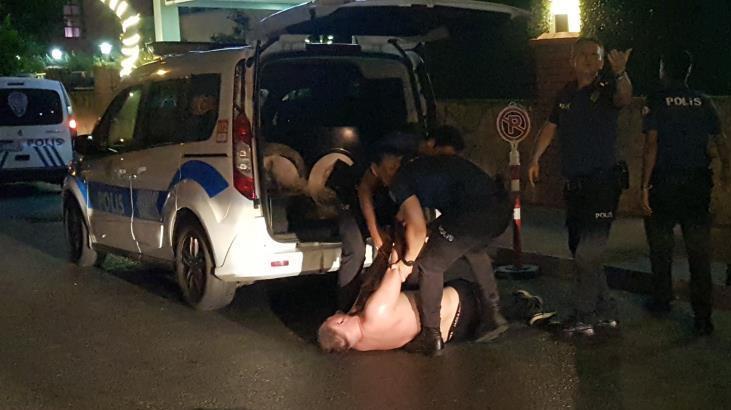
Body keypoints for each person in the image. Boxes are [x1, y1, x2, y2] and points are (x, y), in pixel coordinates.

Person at [527, 37, 633, 336]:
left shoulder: (608, 88)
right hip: (576, 186)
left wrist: (621, 73)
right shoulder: (567, 93)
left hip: (603, 183)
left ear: (602, 61)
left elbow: (624, 97)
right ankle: (605, 310)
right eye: (583, 54)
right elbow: (551, 126)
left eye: (595, 55)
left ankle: (584, 315)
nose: (589, 59)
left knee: (588, 252)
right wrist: (535, 158)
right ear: (572, 60)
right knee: (581, 252)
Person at [369, 140, 512, 355]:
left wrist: (407, 262)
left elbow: (418, 230)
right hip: (500, 210)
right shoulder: (422, 166)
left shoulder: (400, 180)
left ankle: (431, 335)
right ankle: (493, 314)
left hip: (471, 215)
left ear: (378, 169)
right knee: (472, 248)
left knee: (430, 264)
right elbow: (416, 216)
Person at [640, 49, 730, 335]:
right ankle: (703, 317)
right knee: (699, 253)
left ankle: (662, 299)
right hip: (696, 185)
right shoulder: (703, 101)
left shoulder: (657, 100)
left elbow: (651, 145)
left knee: (661, 247)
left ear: (664, 70)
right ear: (688, 71)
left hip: (664, 183)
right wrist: (726, 173)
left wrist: (644, 187)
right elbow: (721, 141)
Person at [332, 126, 465, 312]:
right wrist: (375, 233)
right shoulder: (395, 150)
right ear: (432, 144)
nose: (445, 161)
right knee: (356, 250)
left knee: (393, 249)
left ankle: (372, 306)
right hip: (355, 199)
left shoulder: (426, 163)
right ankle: (344, 312)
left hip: (385, 200)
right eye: (444, 155)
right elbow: (364, 190)